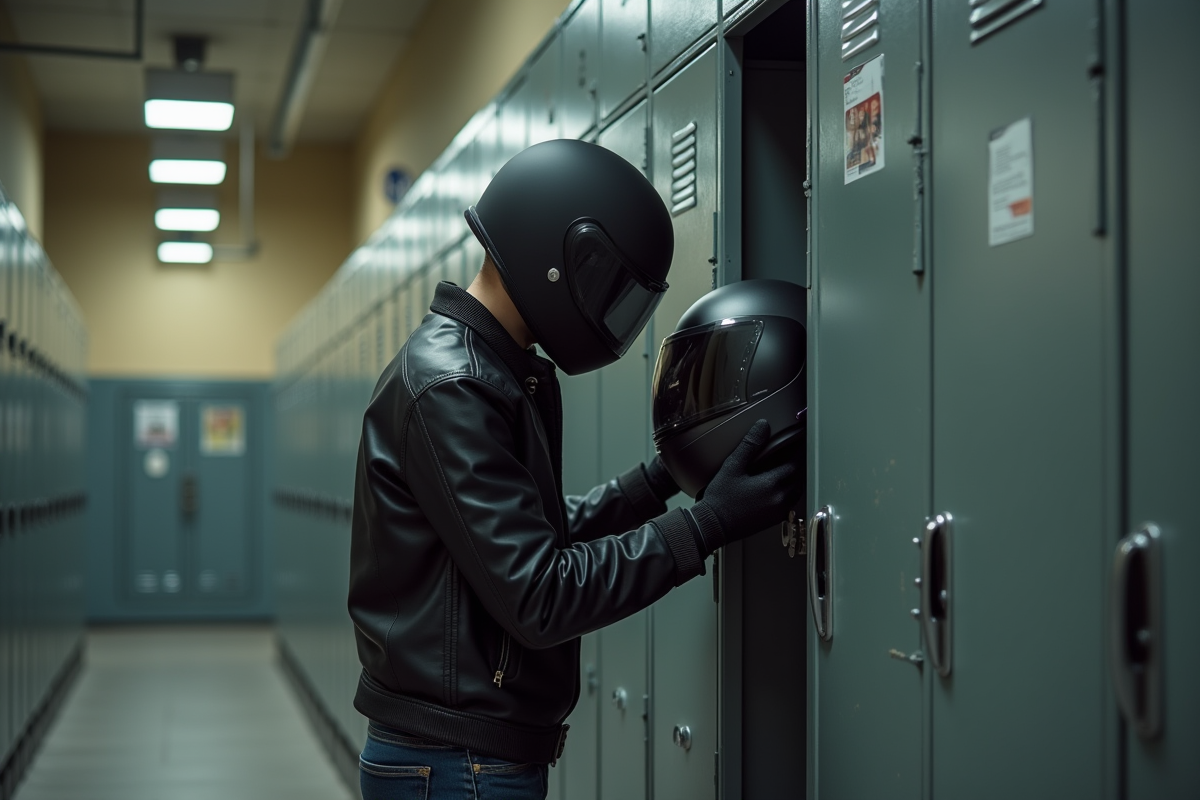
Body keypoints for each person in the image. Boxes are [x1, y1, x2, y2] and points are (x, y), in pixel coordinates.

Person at [347, 139, 803, 800]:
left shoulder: (483, 368)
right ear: (558, 260)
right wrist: (703, 528)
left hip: (456, 755)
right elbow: (540, 593)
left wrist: (663, 480)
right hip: (455, 763)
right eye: (611, 289)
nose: (611, 314)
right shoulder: (456, 384)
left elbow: (534, 533)